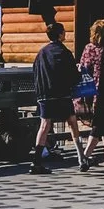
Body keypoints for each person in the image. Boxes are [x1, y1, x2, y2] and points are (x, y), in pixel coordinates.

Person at [29, 19, 79, 173]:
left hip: (44, 94)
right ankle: (81, 156)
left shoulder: (41, 53)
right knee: (72, 121)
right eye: (64, 31)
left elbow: (35, 71)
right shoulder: (64, 52)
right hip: (62, 94)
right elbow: (73, 76)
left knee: (44, 125)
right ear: (60, 34)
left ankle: (36, 161)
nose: (66, 34)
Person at [74, 20, 104, 170]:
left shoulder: (88, 48)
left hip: (89, 91)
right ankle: (86, 156)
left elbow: (82, 67)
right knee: (101, 123)